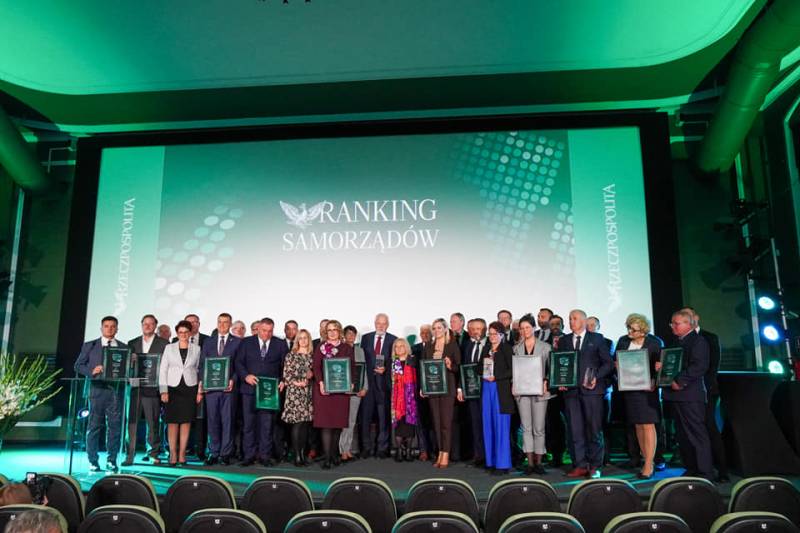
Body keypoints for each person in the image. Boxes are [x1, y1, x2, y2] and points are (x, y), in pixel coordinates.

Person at [560, 309, 613, 478]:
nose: (571, 321)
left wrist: (596, 377)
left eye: (574, 318)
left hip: (592, 391)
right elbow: (560, 363)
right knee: (575, 430)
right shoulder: (564, 340)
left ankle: (595, 465)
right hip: (571, 392)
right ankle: (580, 465)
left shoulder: (597, 339)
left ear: (583, 321)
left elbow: (608, 363)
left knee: (593, 429)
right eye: (570, 319)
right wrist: (560, 381)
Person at [74, 315, 129, 472]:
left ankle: (112, 460)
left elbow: (127, 370)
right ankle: (93, 460)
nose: (109, 329)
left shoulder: (124, 348)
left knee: (115, 427)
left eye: (113, 326)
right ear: (101, 328)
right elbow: (78, 366)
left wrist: (130, 365)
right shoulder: (90, 345)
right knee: (94, 426)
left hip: (116, 391)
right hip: (96, 390)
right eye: (106, 326)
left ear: (117, 329)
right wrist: (91, 371)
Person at [664, 309, 713, 480]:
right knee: (682, 435)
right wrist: (661, 367)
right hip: (676, 395)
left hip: (690, 395)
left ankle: (705, 472)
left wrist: (680, 381)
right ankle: (691, 468)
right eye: (672, 323)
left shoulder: (698, 341)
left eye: (676, 323)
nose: (673, 326)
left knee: (696, 434)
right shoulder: (676, 341)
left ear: (688, 324)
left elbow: (699, 366)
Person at [614, 313, 663, 479]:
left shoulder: (655, 343)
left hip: (647, 391)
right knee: (638, 426)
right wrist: (617, 365)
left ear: (643, 331)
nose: (629, 332)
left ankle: (649, 464)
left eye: (633, 330)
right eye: (628, 328)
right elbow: (616, 361)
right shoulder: (623, 341)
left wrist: (655, 381)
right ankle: (645, 461)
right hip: (630, 390)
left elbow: (661, 367)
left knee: (648, 425)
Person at [683, 306, 728, 482]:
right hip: (687, 392)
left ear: (696, 317)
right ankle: (695, 467)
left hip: (706, 390)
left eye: (689, 316)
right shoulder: (681, 339)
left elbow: (711, 367)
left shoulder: (709, 337)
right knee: (690, 431)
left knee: (709, 427)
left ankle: (722, 470)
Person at [236, 317, 288, 467]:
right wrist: (246, 376)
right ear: (258, 329)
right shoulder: (246, 342)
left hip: (269, 391)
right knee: (249, 424)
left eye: (270, 331)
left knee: (267, 425)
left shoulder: (280, 344)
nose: (267, 334)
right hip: (249, 389)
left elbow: (285, 365)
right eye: (264, 330)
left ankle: (265, 456)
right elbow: (238, 362)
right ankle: (249, 456)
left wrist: (283, 380)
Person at [124, 314, 168, 466]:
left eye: (151, 324)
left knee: (153, 423)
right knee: (132, 423)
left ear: (155, 326)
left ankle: (153, 453)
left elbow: (166, 368)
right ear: (141, 325)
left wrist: (163, 389)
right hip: (135, 388)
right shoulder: (132, 343)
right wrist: (130, 362)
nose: (148, 326)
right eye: (145, 324)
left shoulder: (164, 344)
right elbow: (127, 367)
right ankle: (129, 455)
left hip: (153, 389)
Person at [198, 312, 242, 465]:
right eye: (220, 322)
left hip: (228, 389)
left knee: (227, 421)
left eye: (225, 322)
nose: (222, 325)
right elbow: (203, 364)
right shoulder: (208, 342)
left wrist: (233, 380)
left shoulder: (237, 342)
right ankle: (213, 452)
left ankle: (225, 454)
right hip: (211, 389)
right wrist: (202, 382)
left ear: (230, 324)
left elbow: (239, 365)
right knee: (213, 421)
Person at [313, 319, 356, 469]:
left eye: (334, 329)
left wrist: (351, 383)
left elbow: (352, 367)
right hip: (324, 392)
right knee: (326, 425)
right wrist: (321, 383)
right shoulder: (321, 347)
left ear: (339, 331)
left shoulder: (346, 348)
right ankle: (327, 458)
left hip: (341, 392)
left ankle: (334, 455)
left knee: (338, 425)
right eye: (329, 330)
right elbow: (316, 367)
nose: (332, 332)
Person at [512, 315, 552, 474]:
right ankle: (529, 463)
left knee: (539, 428)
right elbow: (515, 370)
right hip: (522, 391)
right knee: (526, 428)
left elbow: (550, 369)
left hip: (540, 391)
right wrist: (513, 384)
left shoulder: (546, 347)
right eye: (522, 328)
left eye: (527, 327)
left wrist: (546, 381)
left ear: (534, 328)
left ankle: (539, 463)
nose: (524, 331)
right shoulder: (516, 348)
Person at [158, 320, 201, 467]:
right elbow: (163, 369)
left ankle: (182, 454)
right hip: (172, 389)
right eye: (180, 332)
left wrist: (199, 391)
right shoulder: (169, 348)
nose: (183, 334)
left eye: (186, 332)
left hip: (190, 388)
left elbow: (198, 370)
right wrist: (163, 390)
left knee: (186, 422)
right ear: (177, 333)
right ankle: (173, 454)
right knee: (172, 422)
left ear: (190, 333)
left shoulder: (197, 349)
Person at [422, 318, 461, 469]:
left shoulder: (452, 345)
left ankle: (446, 453)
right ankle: (440, 451)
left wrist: (450, 365)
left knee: (446, 423)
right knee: (436, 423)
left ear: (445, 329)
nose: (436, 330)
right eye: (434, 328)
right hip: (432, 389)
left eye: (439, 327)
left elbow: (458, 367)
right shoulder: (428, 346)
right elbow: (424, 368)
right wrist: (423, 387)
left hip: (448, 389)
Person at [360, 313, 397, 458]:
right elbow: (361, 361)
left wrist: (386, 369)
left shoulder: (393, 340)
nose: (381, 326)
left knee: (383, 418)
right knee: (365, 417)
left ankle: (382, 448)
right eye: (378, 323)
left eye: (384, 323)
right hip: (368, 385)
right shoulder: (366, 338)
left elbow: (396, 362)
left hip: (383, 385)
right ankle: (366, 448)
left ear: (388, 325)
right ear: (375, 323)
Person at [481, 321, 514, 475]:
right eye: (490, 333)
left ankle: (502, 464)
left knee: (501, 426)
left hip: (500, 390)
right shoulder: (486, 349)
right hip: (487, 388)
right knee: (488, 424)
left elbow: (512, 370)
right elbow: (478, 368)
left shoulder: (506, 349)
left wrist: (497, 376)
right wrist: (483, 368)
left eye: (495, 334)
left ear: (501, 335)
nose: (492, 336)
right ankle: (491, 461)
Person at [282, 328, 315, 466]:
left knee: (305, 425)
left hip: (308, 393)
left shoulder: (312, 356)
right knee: (298, 424)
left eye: (305, 337)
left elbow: (317, 373)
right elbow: (286, 375)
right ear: (297, 340)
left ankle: (302, 454)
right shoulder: (291, 355)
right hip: (295, 393)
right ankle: (296, 456)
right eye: (300, 338)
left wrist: (312, 374)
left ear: (309, 340)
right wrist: (297, 382)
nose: (303, 340)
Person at [458, 318, 487, 467]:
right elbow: (462, 367)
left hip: (488, 390)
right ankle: (478, 455)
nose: (476, 332)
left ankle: (489, 456)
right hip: (471, 390)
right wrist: (460, 388)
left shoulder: (490, 345)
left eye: (479, 329)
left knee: (486, 423)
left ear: (485, 330)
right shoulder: (467, 345)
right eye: (473, 329)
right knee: (475, 424)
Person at [388, 337, 419, 462]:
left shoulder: (412, 360)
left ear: (406, 347)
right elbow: (387, 381)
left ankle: (409, 450)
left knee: (409, 425)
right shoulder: (392, 362)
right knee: (399, 425)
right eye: (396, 346)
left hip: (411, 398)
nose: (399, 348)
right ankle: (400, 451)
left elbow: (418, 377)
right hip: (396, 400)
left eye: (401, 346)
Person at [340, 325, 367, 462]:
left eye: (353, 334)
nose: (351, 336)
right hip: (343, 392)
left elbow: (364, 370)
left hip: (357, 391)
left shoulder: (359, 351)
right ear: (344, 335)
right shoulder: (340, 349)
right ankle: (342, 450)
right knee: (343, 421)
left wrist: (365, 388)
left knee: (352, 421)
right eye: (349, 334)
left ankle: (348, 449)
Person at [412, 324, 434, 461]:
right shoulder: (414, 349)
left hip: (434, 389)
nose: (424, 335)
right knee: (420, 422)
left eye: (427, 332)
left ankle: (434, 449)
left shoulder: (437, 347)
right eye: (422, 332)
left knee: (433, 421)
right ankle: (423, 450)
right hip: (418, 390)